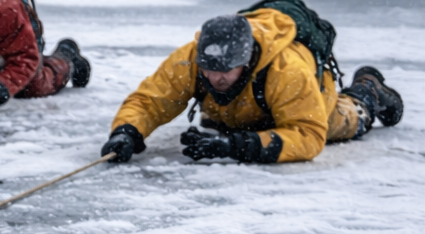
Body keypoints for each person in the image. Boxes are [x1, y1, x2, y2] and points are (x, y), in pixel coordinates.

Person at [103, 9, 404, 164]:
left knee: (345, 121)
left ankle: (368, 90)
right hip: (242, 112)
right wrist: (126, 131)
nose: (216, 78)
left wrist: (237, 146)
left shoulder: (288, 72)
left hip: (309, 100)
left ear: (246, 60)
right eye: (209, 70)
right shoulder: (190, 59)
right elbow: (151, 100)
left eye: (226, 70)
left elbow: (309, 136)